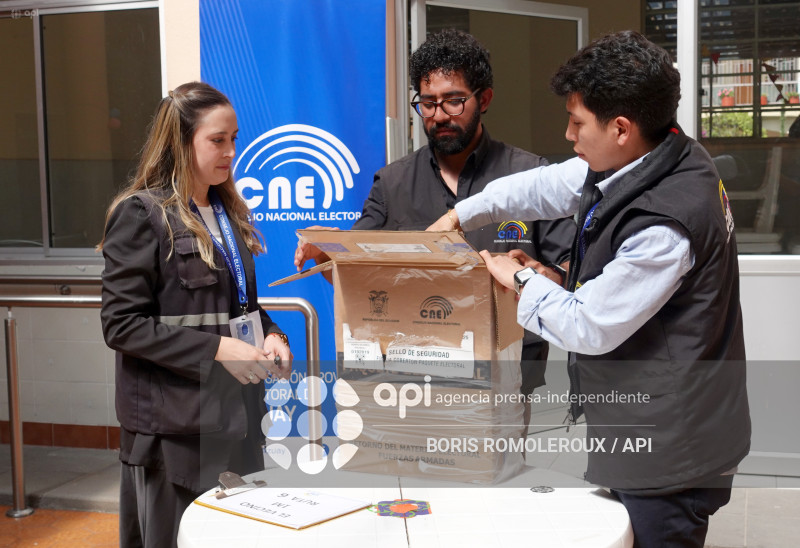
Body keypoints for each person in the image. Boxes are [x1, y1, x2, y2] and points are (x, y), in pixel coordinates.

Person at [429, 31, 751, 548]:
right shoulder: (656, 152)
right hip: (649, 423)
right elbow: (548, 186)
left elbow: (589, 325)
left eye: (578, 122)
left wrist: (519, 277)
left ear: (621, 128)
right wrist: (461, 214)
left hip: (673, 449)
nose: (569, 133)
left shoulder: (665, 220)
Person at [296, 29, 575, 422]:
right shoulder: (392, 184)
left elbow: (570, 272)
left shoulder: (530, 178)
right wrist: (330, 253)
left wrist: (543, 274)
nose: (439, 115)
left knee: (497, 480)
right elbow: (358, 276)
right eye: (427, 104)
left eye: (454, 101)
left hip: (507, 377)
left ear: (485, 99)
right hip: (409, 380)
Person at [99, 82, 292, 547]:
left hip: (235, 418)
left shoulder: (225, 209)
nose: (230, 152)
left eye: (234, 139)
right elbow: (121, 324)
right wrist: (219, 349)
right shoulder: (142, 215)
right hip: (175, 432)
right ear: (181, 142)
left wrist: (271, 335)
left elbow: (241, 304)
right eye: (217, 140)